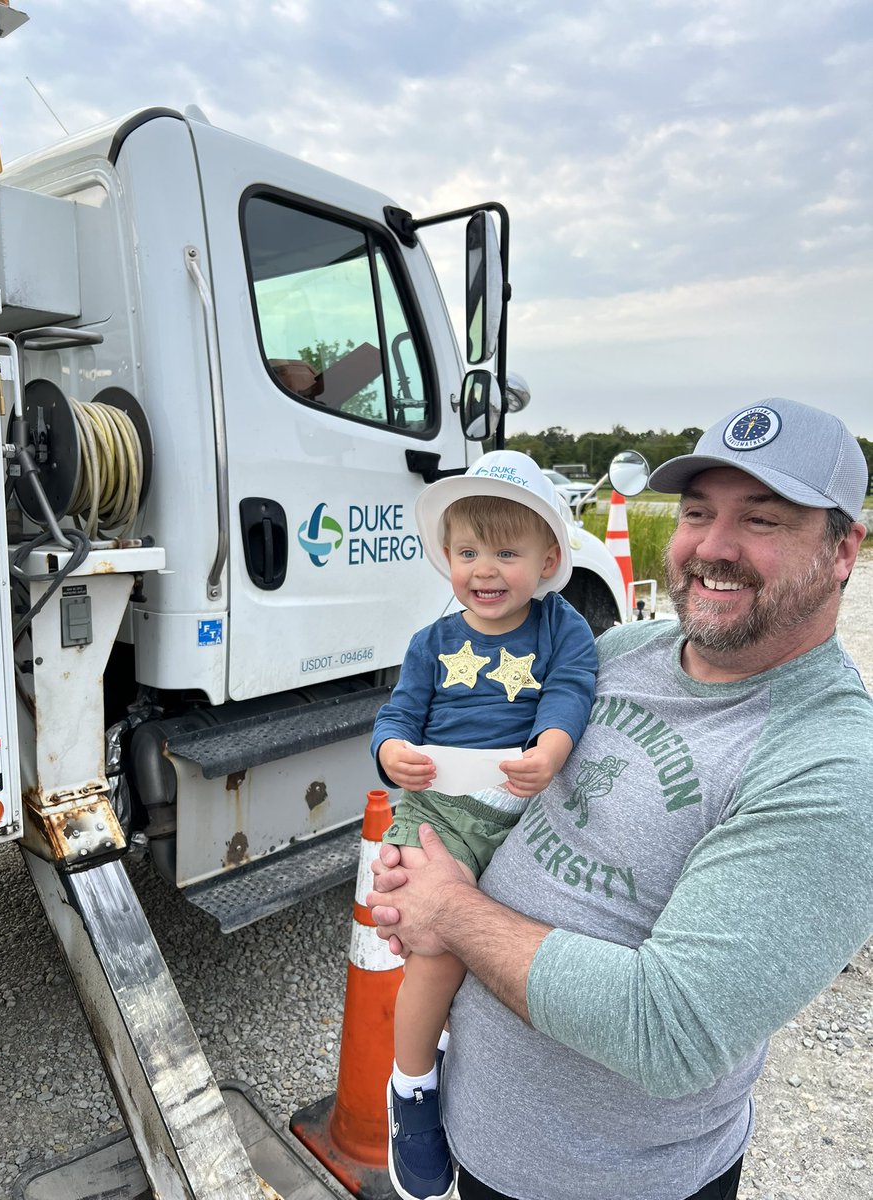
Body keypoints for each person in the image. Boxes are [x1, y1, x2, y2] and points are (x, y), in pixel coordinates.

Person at [368, 397, 873, 1200]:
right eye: (696, 511)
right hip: (475, 1136)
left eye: (763, 520)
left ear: (846, 548)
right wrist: (422, 854)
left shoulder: (831, 767)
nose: (713, 546)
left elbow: (670, 1033)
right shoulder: (626, 649)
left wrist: (450, 911)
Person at [371, 450, 599, 1200]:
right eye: (468, 551)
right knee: (437, 945)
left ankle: (462, 1065)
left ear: (549, 558)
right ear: (447, 557)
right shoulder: (431, 643)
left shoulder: (559, 627)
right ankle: (411, 1092)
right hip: (436, 805)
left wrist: (553, 745)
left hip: (515, 806)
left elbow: (571, 689)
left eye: (508, 551)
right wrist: (393, 752)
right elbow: (397, 715)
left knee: (508, 946)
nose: (486, 569)